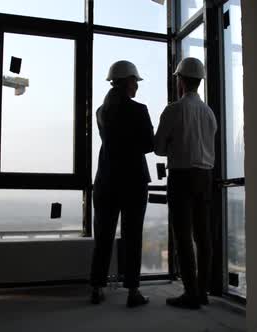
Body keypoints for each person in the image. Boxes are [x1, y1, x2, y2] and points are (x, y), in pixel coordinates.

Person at [90, 60, 154, 308]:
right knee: (132, 236)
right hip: (133, 181)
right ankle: (133, 292)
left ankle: (96, 287)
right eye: (135, 82)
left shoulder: (100, 112)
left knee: (103, 237)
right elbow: (149, 145)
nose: (136, 86)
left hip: (105, 180)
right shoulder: (139, 110)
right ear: (129, 82)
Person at [154, 57, 217, 309]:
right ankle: (202, 291)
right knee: (204, 236)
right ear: (200, 81)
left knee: (182, 236)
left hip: (181, 177)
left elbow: (158, 147)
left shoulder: (173, 110)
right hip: (205, 176)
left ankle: (190, 294)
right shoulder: (209, 113)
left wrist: (173, 145)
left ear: (180, 80)